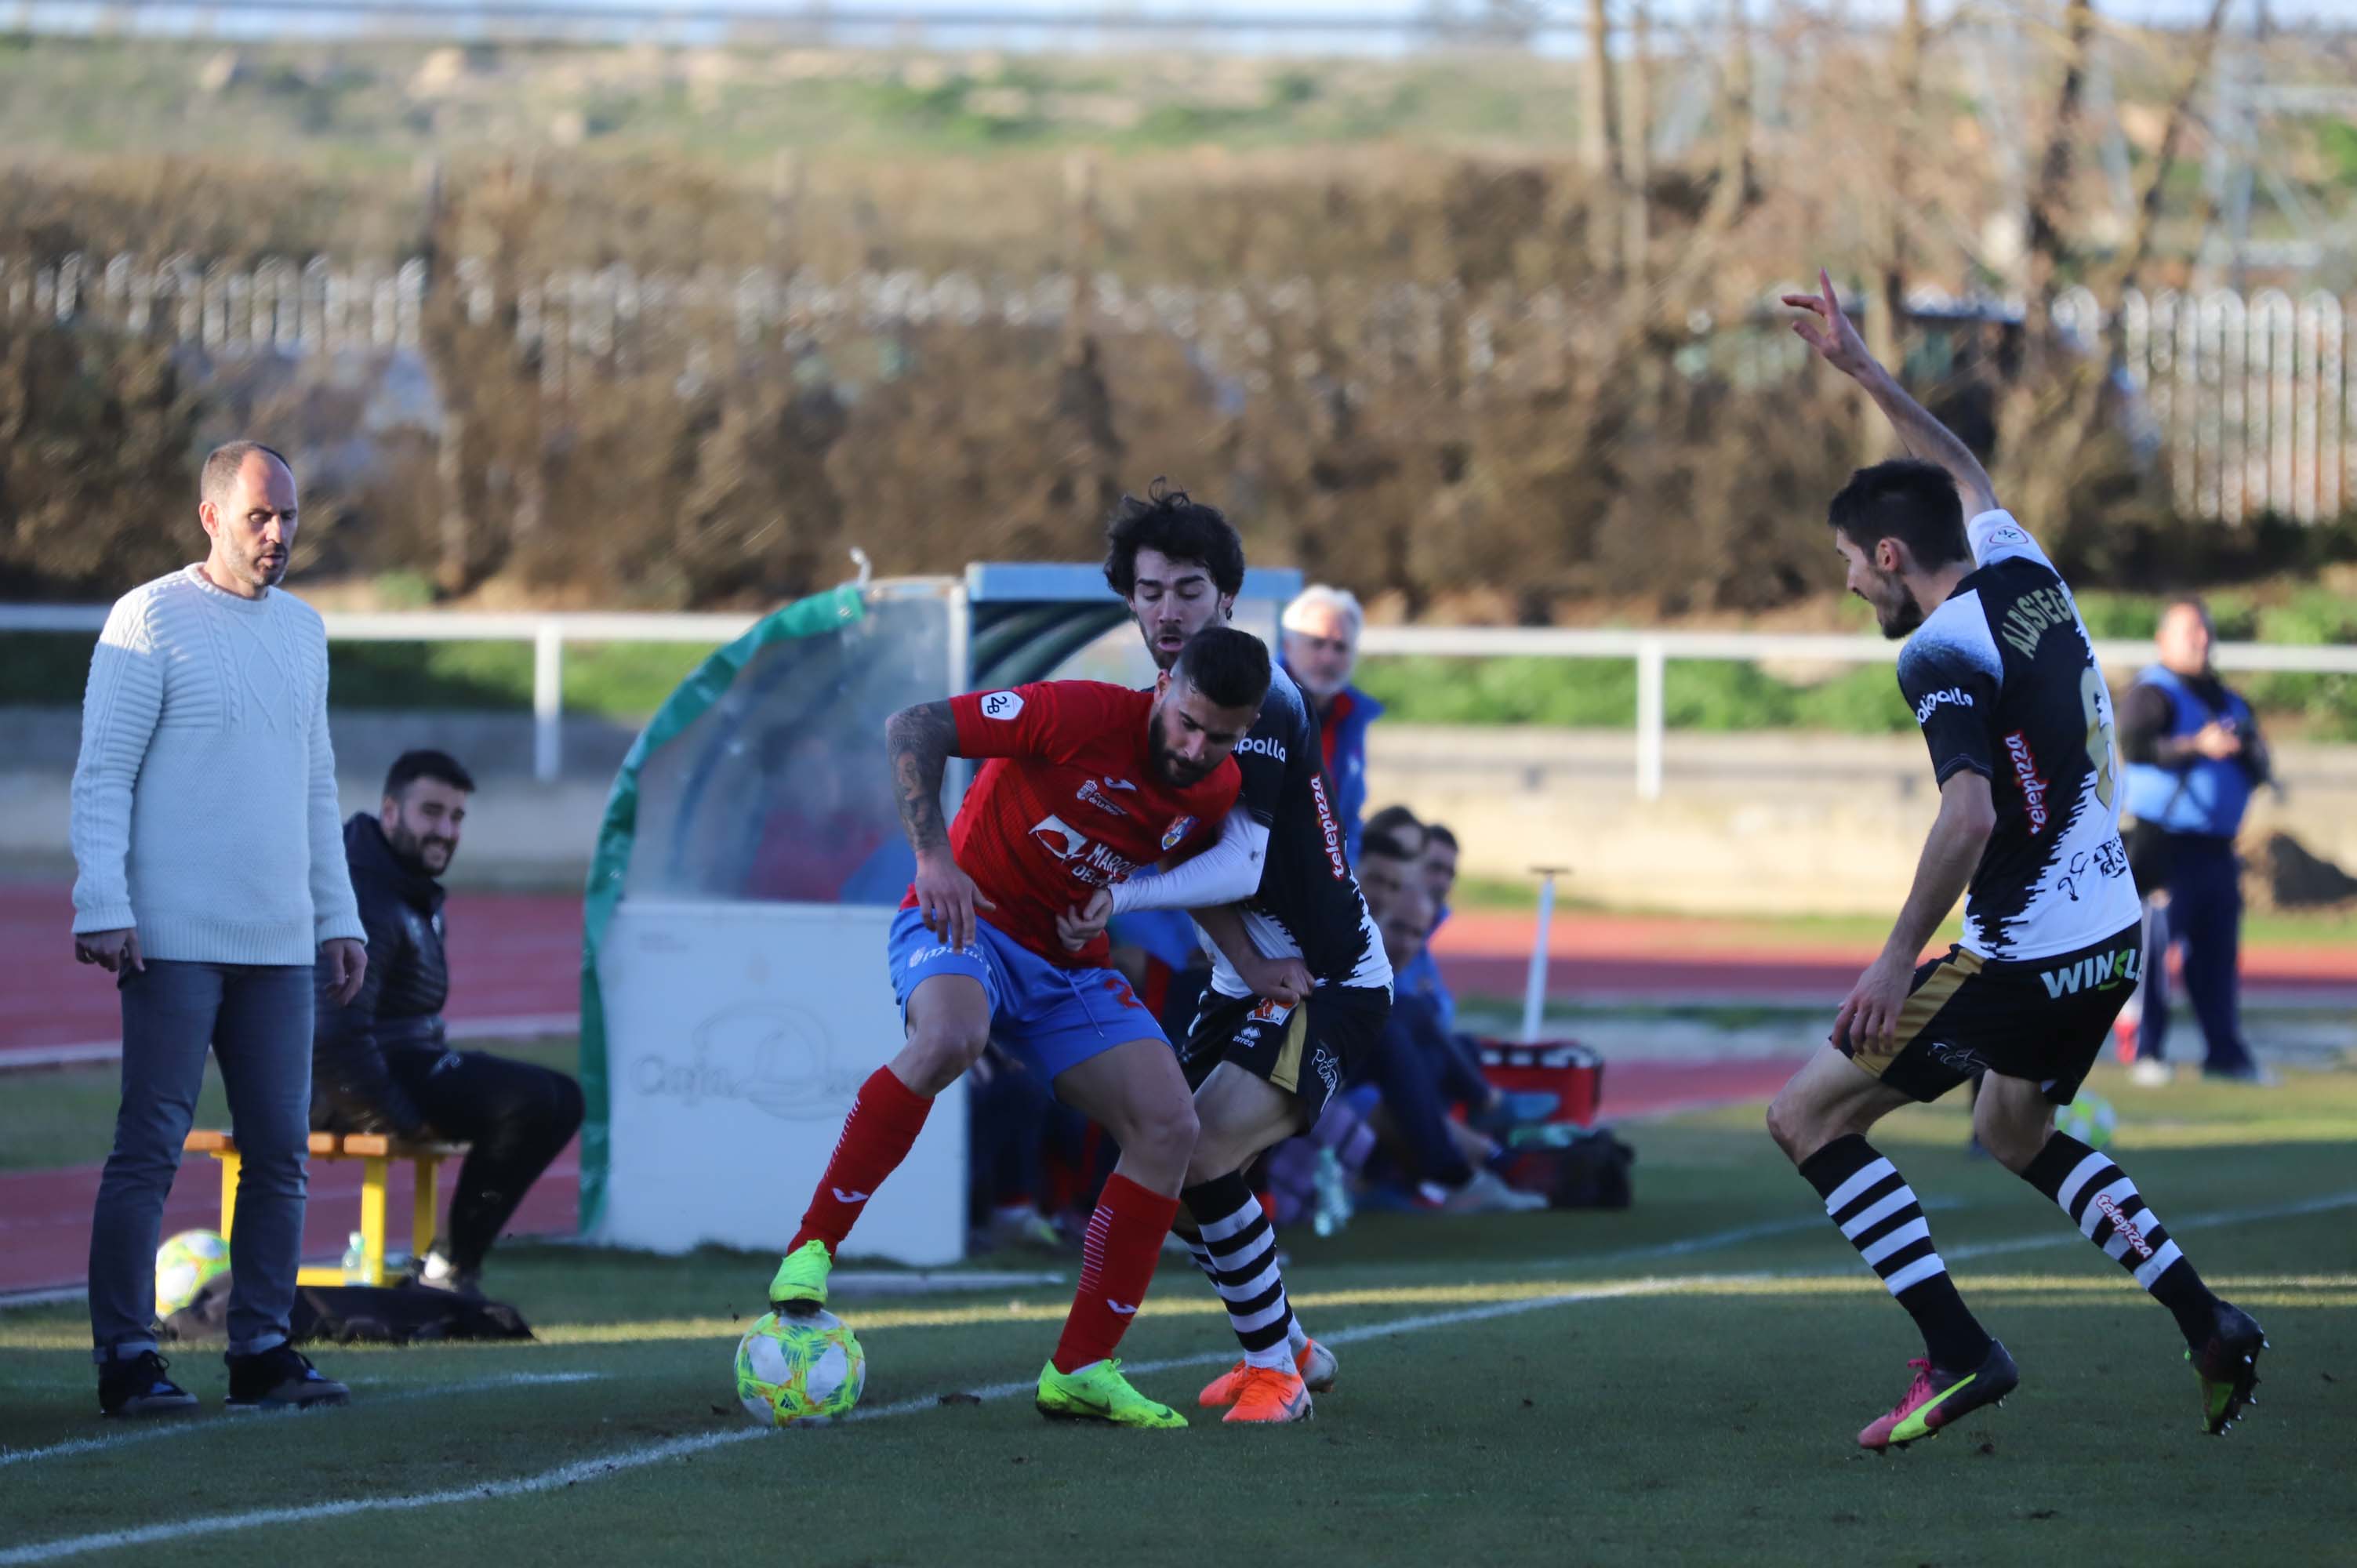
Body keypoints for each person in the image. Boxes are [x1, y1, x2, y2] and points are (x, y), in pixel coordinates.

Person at [1764, 272, 2264, 1452]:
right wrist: (1863, 371)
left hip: (2023, 954)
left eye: (1849, 562)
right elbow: (1967, 479)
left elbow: (1970, 818)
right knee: (2011, 1135)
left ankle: (1958, 1353)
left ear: (1891, 557)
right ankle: (2207, 1322)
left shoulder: (1936, 651)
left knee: (1804, 1121)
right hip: (2106, 940)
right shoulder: (2024, 572)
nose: (1846, 582)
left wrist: (1894, 959)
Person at [762, 626, 1270, 1429]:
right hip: (966, 920)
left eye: (1222, 736)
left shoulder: (1214, 788)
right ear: (1165, 684)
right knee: (950, 1038)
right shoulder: (1074, 713)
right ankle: (812, 1245)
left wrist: (1236, 951)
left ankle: (1082, 1367)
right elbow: (915, 725)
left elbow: (1191, 874)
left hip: (1069, 966)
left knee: (1171, 1124)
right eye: (1189, 721)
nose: (1198, 746)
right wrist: (934, 857)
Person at [1062, 485, 1395, 1424]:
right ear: (1130, 599)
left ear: (1229, 598)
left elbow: (1241, 857)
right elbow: (1195, 864)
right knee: (1165, 1156)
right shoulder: (1157, 707)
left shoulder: (1268, 698)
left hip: (1326, 981)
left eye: (1190, 589)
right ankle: (1289, 1347)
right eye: (1150, 588)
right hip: (1247, 980)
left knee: (1201, 1146)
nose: (1169, 608)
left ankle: (1275, 1376)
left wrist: (1118, 896)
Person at [70, 441, 363, 1417]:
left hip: (280, 945)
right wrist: (101, 901)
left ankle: (263, 1347)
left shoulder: (308, 631)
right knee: (150, 1143)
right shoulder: (148, 617)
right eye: (258, 516)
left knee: (281, 1149)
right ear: (210, 517)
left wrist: (340, 914)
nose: (278, 533)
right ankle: (126, 1355)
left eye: (287, 515)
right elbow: (102, 772)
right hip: (172, 939)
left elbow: (316, 785)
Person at [311, 750, 586, 1294]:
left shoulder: (404, 883)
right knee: (529, 1100)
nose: (446, 830)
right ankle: (449, 1270)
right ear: (390, 811)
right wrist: (397, 1120)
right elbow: (333, 1033)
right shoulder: (363, 892)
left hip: (404, 1066)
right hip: (350, 1090)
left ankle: (453, 1266)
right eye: (431, 812)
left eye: (457, 817)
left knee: (560, 1096)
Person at [2115, 597, 2273, 1085]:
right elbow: (2135, 746)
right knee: (2156, 951)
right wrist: (2195, 747)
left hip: (2217, 848)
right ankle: (2148, 1050)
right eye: (2190, 632)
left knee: (2217, 956)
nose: (2202, 641)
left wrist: (2247, 751)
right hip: (2165, 843)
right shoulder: (2153, 693)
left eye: (2205, 631)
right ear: (2165, 641)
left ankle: (2224, 1053)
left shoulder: (2228, 699)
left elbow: (2260, 765)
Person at [1280, 584, 1383, 862]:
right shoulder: (1255, 704)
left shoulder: (1353, 716)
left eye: (1340, 647)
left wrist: (1344, 886)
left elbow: (1348, 819)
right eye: (1317, 643)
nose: (1328, 658)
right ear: (1288, 645)